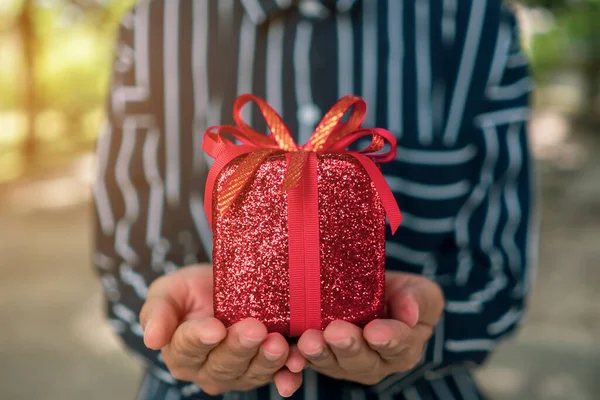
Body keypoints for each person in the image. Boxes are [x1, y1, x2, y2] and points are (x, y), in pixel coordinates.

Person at [93, 0, 537, 399]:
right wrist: (171, 336)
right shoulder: (157, 22)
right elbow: (126, 261)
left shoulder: (474, 23)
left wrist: (424, 332)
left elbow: (499, 276)